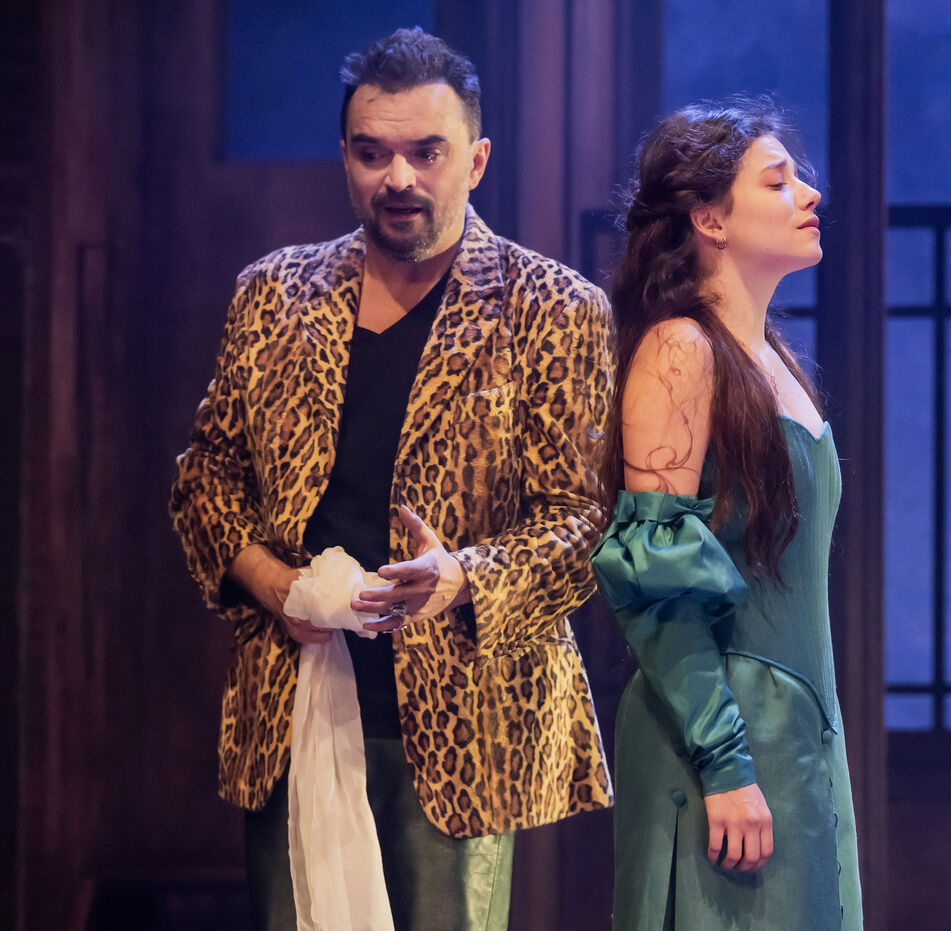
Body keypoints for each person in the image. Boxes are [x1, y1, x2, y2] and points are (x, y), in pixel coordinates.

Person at [169, 27, 613, 930]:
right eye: (373, 153)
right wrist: (274, 583)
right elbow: (203, 480)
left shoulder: (553, 308)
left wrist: (462, 575)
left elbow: (585, 522)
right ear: (345, 157)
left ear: (476, 161)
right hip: (296, 698)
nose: (398, 177)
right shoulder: (274, 294)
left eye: (426, 152)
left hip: (463, 720)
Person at [590, 99, 863, 929]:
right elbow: (654, 578)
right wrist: (726, 762)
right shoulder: (681, 349)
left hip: (795, 730)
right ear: (709, 217)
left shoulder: (771, 356)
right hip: (720, 736)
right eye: (777, 181)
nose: (808, 193)